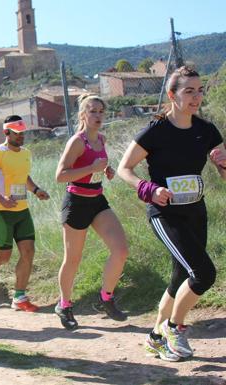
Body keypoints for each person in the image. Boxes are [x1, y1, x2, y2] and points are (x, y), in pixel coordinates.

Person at [117, 66, 226, 361]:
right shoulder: (156, 131)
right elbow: (124, 169)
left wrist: (223, 163)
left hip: (195, 211)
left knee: (181, 277)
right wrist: (148, 189)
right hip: (164, 214)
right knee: (203, 273)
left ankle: (155, 336)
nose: (196, 97)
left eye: (199, 90)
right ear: (172, 95)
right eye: (188, 91)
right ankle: (175, 329)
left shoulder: (207, 131)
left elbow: (225, 172)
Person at [54, 94, 129, 330]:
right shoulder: (77, 141)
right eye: (93, 111)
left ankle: (106, 297)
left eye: (101, 111)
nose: (98, 115)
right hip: (76, 201)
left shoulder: (103, 139)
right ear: (83, 114)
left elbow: (98, 167)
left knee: (121, 250)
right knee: (73, 260)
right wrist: (91, 168)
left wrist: (106, 171)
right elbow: (60, 175)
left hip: (97, 199)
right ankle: (64, 304)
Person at [0, 115, 50, 311]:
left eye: (23, 133)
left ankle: (19, 297)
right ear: (6, 132)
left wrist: (36, 190)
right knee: (4, 257)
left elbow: (23, 175)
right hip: (0, 211)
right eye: (17, 133)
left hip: (22, 210)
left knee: (29, 251)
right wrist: (1, 199)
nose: (21, 137)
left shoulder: (26, 153)